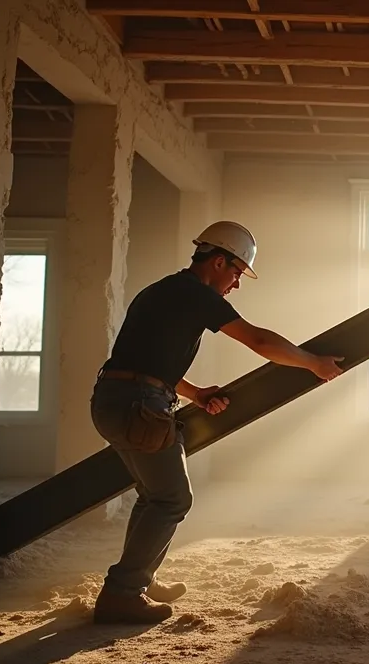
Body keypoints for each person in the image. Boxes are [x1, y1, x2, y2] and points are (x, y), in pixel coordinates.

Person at [90, 220, 345, 624]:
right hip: (138, 405)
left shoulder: (161, 291)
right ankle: (122, 594)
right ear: (219, 261)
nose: (237, 284)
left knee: (154, 494)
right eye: (238, 272)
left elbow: (145, 361)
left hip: (114, 400)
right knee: (173, 499)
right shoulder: (196, 293)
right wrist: (312, 363)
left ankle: (139, 580)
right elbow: (258, 340)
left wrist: (194, 393)